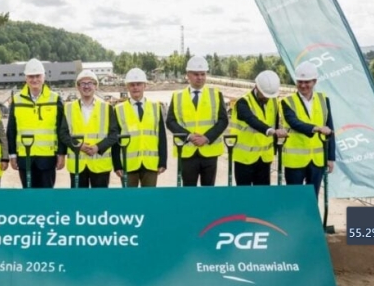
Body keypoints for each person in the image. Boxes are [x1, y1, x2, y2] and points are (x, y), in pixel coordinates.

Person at [166, 55, 229, 187]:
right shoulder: (177, 96)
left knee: (208, 192)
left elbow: (223, 120)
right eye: (196, 74)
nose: (200, 77)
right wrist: (188, 136)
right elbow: (170, 121)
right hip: (187, 152)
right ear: (188, 75)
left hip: (210, 151)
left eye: (203, 74)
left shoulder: (216, 94)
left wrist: (206, 138)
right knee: (189, 192)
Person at [7, 58, 66, 188]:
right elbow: (11, 130)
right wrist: (12, 154)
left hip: (47, 158)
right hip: (25, 157)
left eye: (38, 76)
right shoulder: (17, 100)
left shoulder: (55, 99)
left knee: (46, 196)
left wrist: (61, 153)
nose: (34, 80)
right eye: (31, 76)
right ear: (26, 78)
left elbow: (61, 129)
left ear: (44, 77)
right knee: (28, 196)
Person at [281, 61, 336, 197]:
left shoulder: (324, 100)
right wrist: (316, 128)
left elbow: (330, 129)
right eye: (300, 82)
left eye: (307, 82)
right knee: (294, 198)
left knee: (312, 197)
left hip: (317, 161)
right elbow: (294, 123)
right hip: (295, 161)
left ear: (314, 81)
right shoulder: (287, 102)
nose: (303, 85)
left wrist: (330, 158)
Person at [59, 70, 119, 188]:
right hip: (78, 164)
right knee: (79, 198)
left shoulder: (107, 108)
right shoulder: (68, 108)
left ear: (96, 86)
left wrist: (98, 147)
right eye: (83, 83)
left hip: (100, 164)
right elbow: (63, 133)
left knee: (100, 198)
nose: (86, 86)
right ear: (78, 87)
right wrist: (79, 145)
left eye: (90, 83)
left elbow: (114, 134)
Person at [231, 70, 289, 186]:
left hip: (264, 159)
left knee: (263, 194)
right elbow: (251, 119)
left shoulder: (273, 101)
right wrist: (271, 131)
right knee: (244, 194)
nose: (267, 97)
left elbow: (275, 122)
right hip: (244, 159)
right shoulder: (243, 102)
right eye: (264, 94)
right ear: (256, 86)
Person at [111, 68, 167, 187]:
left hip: (150, 163)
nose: (135, 87)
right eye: (132, 85)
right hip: (128, 164)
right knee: (129, 197)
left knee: (149, 197)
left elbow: (162, 137)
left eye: (138, 84)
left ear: (144, 85)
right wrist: (117, 165)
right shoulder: (119, 109)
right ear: (127, 87)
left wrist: (163, 161)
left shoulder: (155, 107)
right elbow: (115, 139)